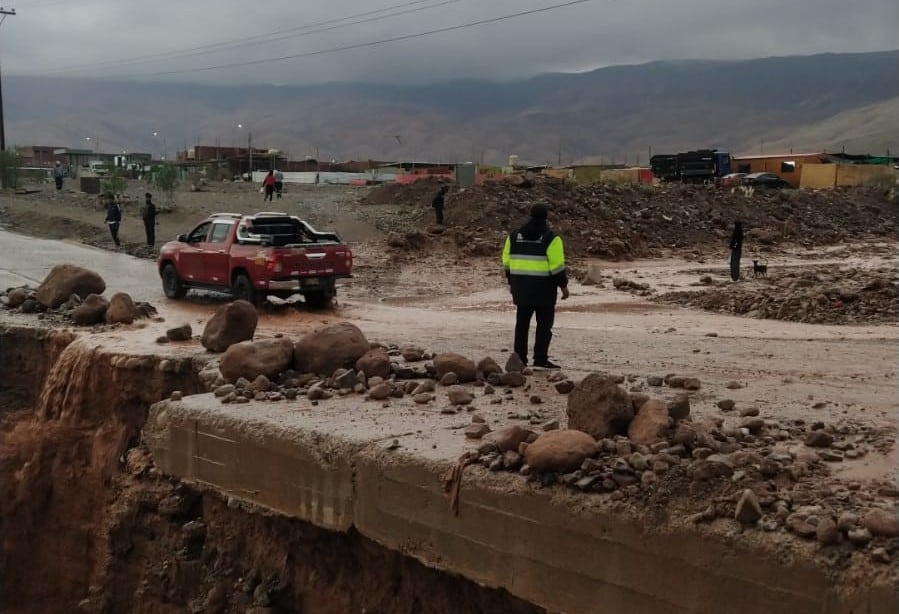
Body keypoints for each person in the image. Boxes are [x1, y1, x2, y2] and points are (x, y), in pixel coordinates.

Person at [501, 203, 569, 368]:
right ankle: (540, 359)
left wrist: (512, 282)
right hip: (544, 290)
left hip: (521, 288)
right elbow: (557, 267)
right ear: (546, 217)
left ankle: (520, 359)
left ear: (530, 215)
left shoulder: (514, 236)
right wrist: (564, 286)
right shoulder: (551, 238)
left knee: (522, 325)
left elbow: (506, 261)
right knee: (544, 326)